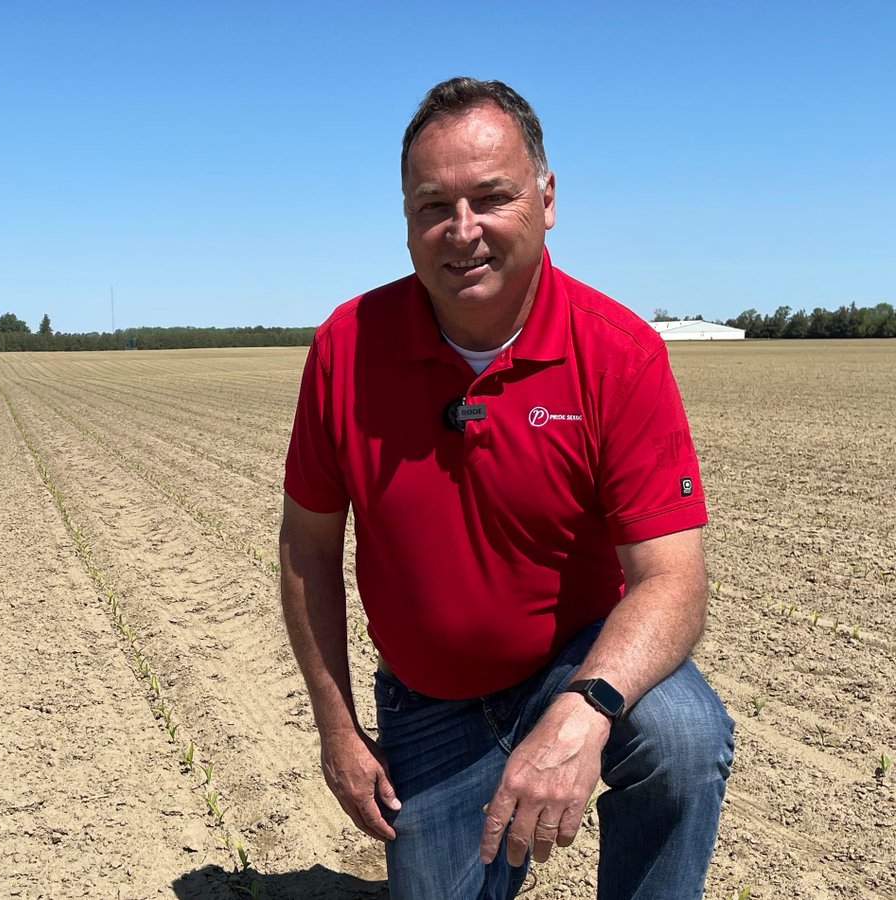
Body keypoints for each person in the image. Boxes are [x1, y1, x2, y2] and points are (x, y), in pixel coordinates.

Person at [279, 77, 734, 899]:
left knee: (684, 736)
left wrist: (586, 706)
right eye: (432, 206)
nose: (463, 233)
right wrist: (338, 730)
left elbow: (674, 581)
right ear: (407, 219)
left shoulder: (618, 354)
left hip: (576, 664)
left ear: (548, 197)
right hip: (429, 702)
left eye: (492, 197)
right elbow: (307, 548)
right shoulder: (347, 349)